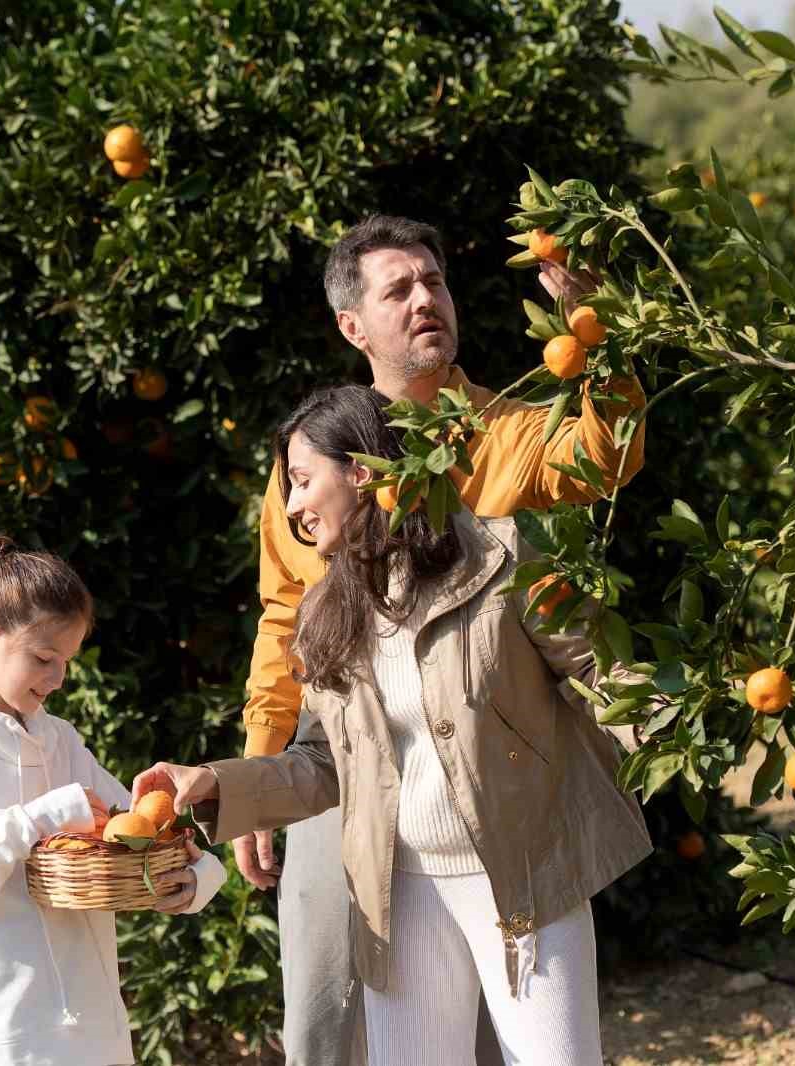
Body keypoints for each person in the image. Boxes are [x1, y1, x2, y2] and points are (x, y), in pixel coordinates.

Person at [233, 215, 647, 1066]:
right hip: (339, 763)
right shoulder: (310, 465)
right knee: (321, 1010)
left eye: (436, 281)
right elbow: (283, 617)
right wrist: (256, 768)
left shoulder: (505, 431)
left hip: (484, 783)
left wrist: (592, 331)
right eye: (399, 289)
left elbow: (610, 452)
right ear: (354, 326)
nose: (427, 300)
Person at [136, 385, 653, 1065]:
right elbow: (325, 763)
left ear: (362, 471)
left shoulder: (499, 560)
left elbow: (603, 672)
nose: (291, 506)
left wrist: (687, 732)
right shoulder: (328, 613)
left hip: (522, 878)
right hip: (399, 894)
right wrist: (218, 784)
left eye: (301, 480)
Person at [0, 535, 227, 1066]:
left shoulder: (60, 741)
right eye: (45, 657)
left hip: (89, 1032)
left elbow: (135, 832)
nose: (58, 678)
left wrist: (198, 879)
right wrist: (32, 820)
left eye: (66, 660)